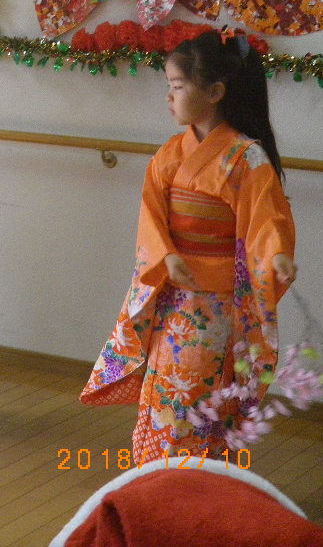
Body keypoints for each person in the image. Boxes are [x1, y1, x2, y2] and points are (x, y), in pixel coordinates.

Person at [80, 28, 297, 461]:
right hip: (173, 297)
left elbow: (266, 219)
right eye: (169, 86)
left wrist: (275, 254)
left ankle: (197, 473)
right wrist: (166, 255)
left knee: (199, 393)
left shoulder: (247, 157)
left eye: (178, 86)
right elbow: (151, 214)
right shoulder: (171, 154)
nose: (169, 96)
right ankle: (157, 471)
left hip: (218, 303)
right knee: (164, 386)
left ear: (214, 92)